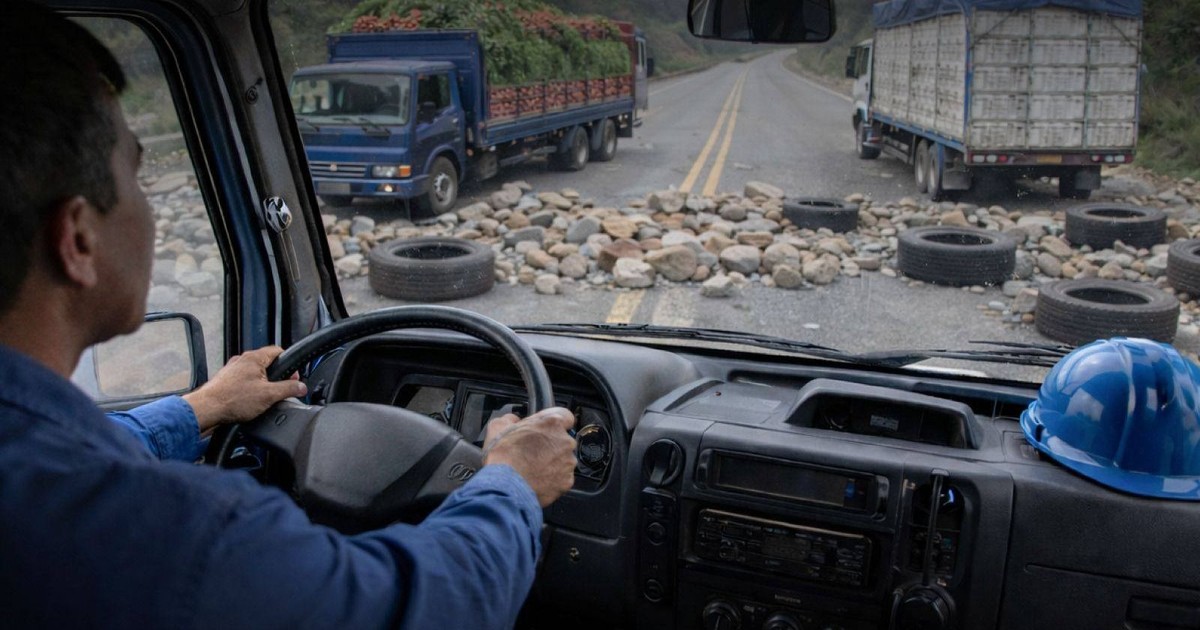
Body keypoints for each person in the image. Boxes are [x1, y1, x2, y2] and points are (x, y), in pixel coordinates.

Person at [0, 3, 578, 628]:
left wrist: (205, 407)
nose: (149, 212)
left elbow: (84, 452)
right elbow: (416, 606)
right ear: (78, 239)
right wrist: (512, 481)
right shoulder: (179, 537)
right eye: (137, 176)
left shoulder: (34, 471)